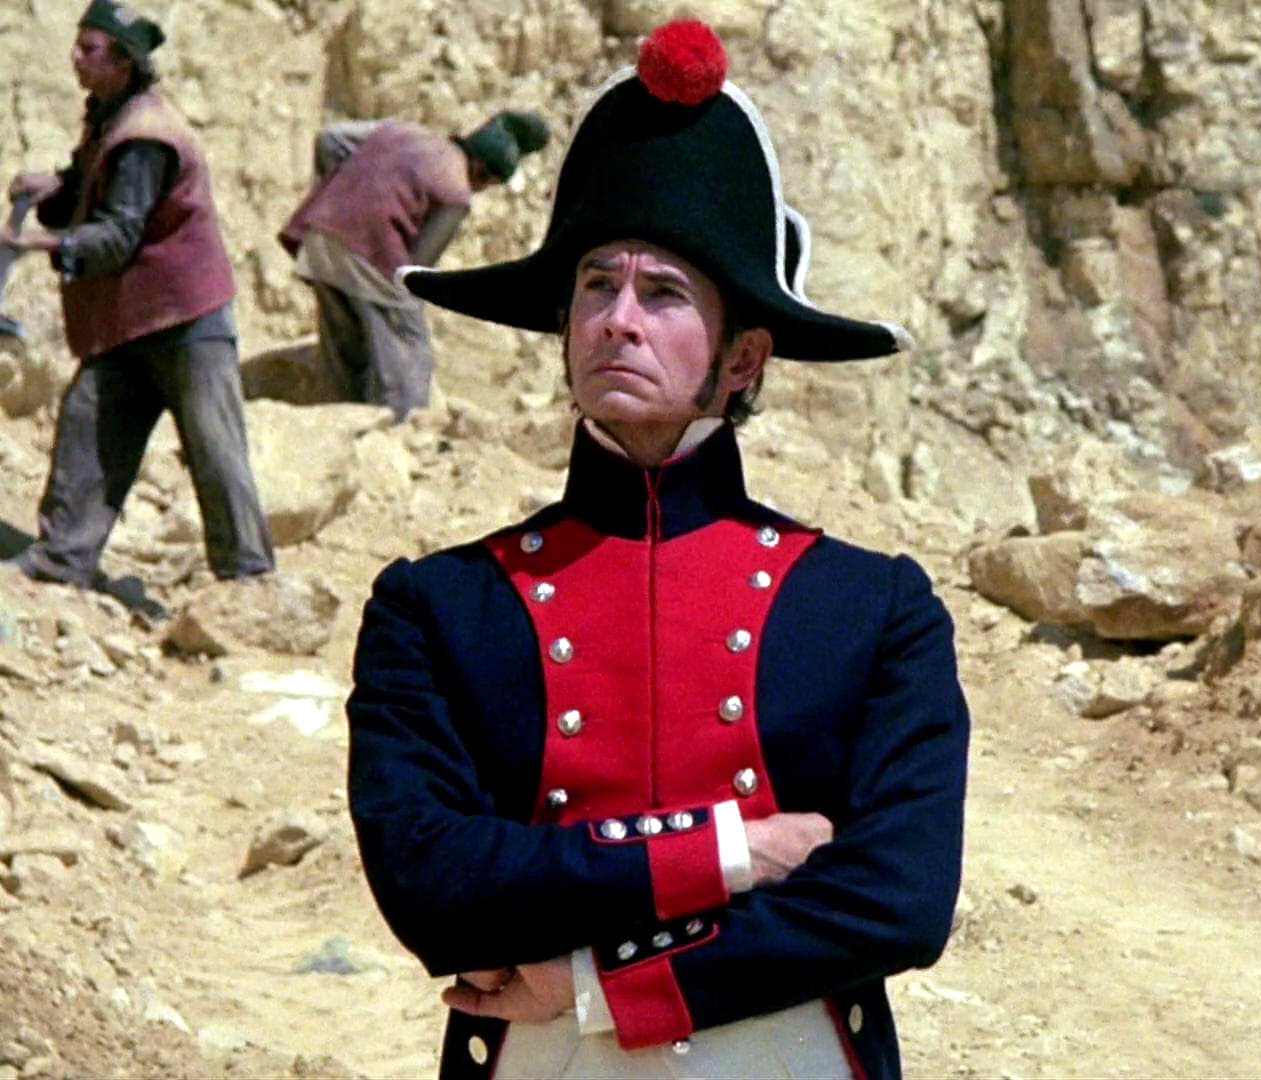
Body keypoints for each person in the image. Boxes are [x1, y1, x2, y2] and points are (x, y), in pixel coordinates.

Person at [344, 19, 967, 1079]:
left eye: (664, 293)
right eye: (596, 284)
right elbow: (432, 887)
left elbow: (897, 901)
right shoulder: (436, 606)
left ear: (745, 357)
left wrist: (600, 988)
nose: (618, 320)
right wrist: (735, 850)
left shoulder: (875, 609)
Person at [3, 0, 273, 587]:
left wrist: (34, 243)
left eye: (90, 50)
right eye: (77, 45)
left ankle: (249, 583)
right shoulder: (111, 114)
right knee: (88, 427)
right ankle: (62, 558)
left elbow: (117, 234)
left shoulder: (144, 137)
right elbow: (89, 186)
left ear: (123, 62)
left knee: (215, 451)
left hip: (185, 318)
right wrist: (53, 187)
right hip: (131, 318)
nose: (75, 58)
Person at [277, 108, 550, 418]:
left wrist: (341, 194)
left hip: (319, 237)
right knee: (407, 344)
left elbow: (329, 140)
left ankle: (342, 420)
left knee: (345, 343)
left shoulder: (404, 131)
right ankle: (402, 425)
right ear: (482, 172)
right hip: (369, 253)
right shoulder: (457, 191)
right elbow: (417, 271)